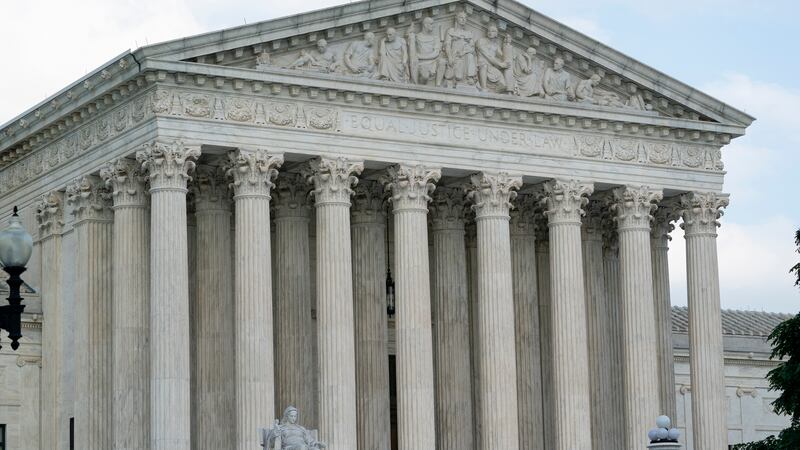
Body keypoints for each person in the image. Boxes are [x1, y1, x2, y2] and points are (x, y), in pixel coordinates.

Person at [475, 25, 514, 93]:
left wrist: (506, 44)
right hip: (482, 65)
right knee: (483, 65)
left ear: (496, 34)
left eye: (493, 31)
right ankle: (483, 88)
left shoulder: (496, 45)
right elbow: (487, 55)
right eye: (489, 31)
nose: (490, 32)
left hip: (492, 67)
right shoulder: (481, 41)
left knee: (503, 84)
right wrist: (500, 64)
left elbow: (503, 56)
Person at [443, 11, 477, 88]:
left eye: (465, 18)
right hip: (454, 54)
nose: (463, 19)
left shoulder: (469, 33)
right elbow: (447, 45)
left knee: (470, 55)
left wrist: (464, 52)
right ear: (456, 18)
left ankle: (470, 77)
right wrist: (449, 57)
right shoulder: (451, 31)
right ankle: (456, 78)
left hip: (465, 55)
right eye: (461, 17)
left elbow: (472, 48)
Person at [408, 17, 446, 86]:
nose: (433, 26)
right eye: (431, 24)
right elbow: (412, 53)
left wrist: (420, 56)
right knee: (424, 76)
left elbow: (436, 53)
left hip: (433, 62)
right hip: (421, 64)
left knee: (442, 61)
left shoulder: (435, 38)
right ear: (425, 25)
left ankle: (438, 85)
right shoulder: (417, 37)